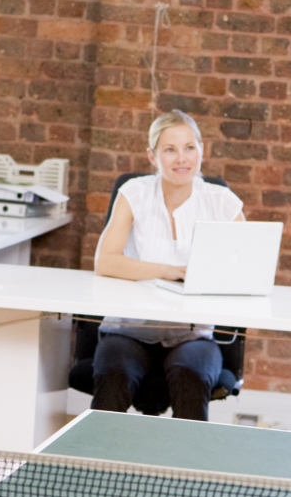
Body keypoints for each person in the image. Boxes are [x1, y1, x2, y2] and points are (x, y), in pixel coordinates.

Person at [91, 111, 245, 421]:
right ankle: (99, 467)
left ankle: (185, 470)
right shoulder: (134, 192)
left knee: (192, 376)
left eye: (190, 147)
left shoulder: (221, 201)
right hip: (129, 330)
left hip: (192, 335)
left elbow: (246, 268)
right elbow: (105, 261)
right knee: (113, 374)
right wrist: (169, 271)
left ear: (202, 149)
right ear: (152, 155)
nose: (181, 158)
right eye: (170, 149)